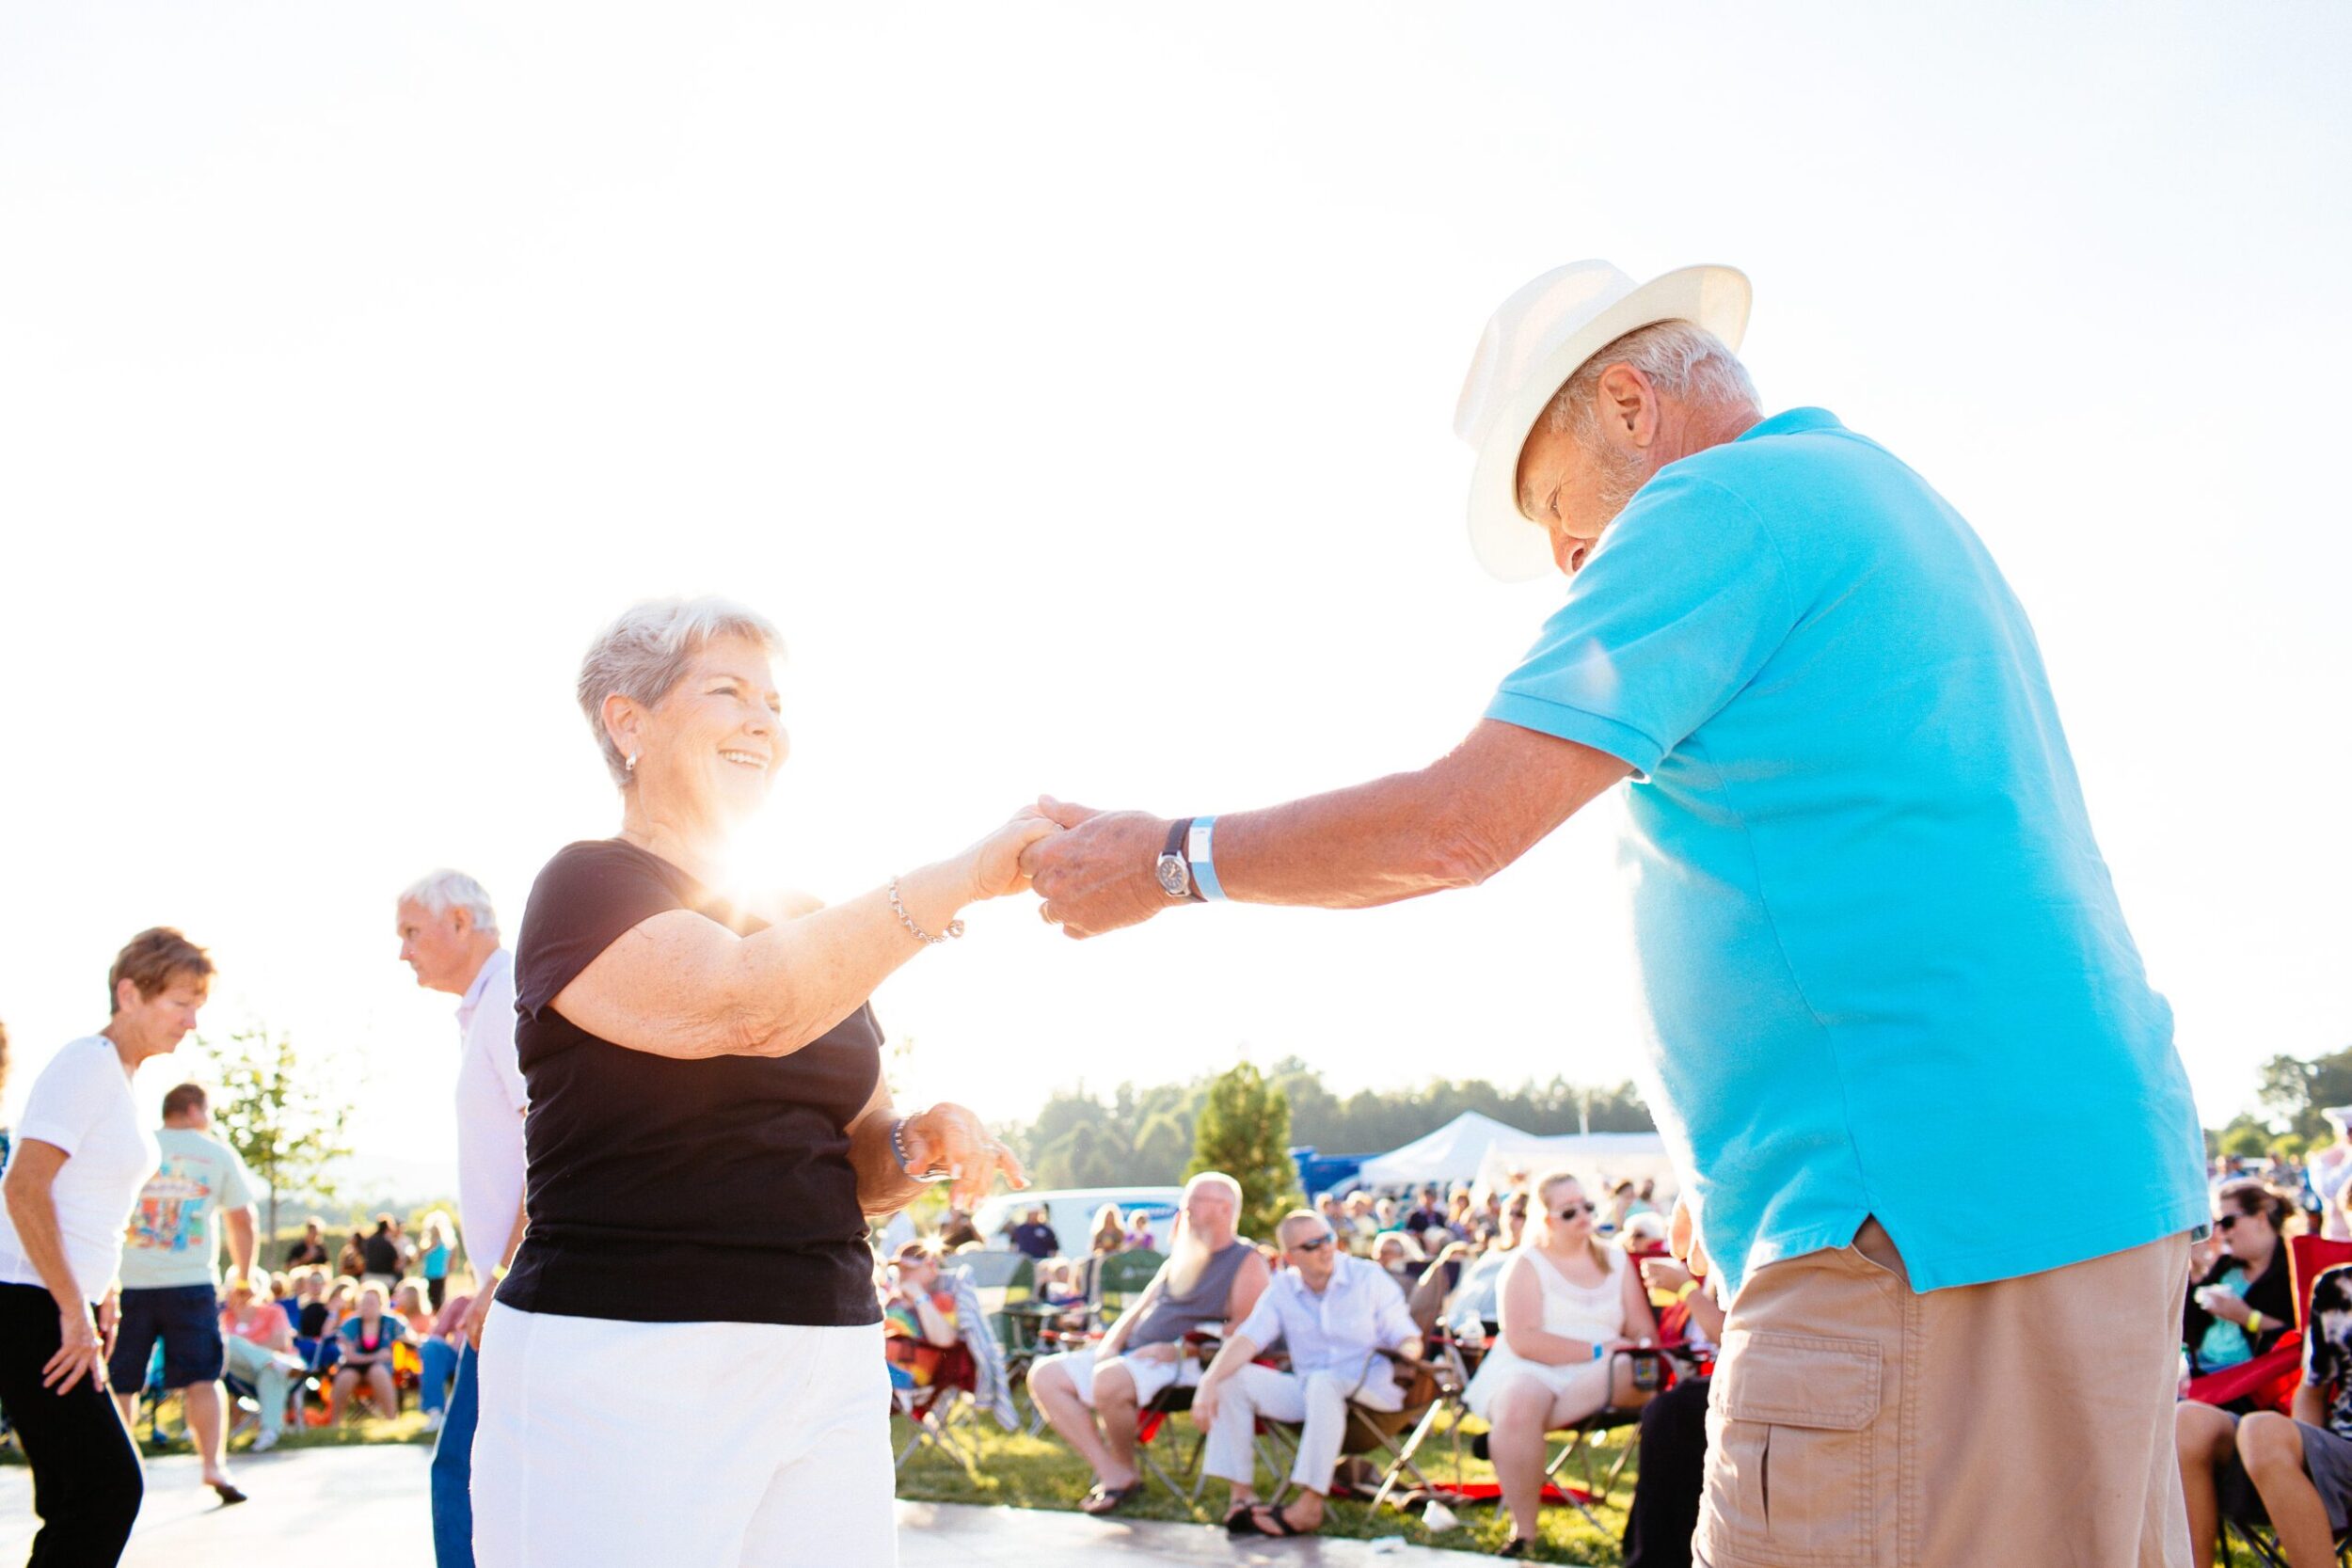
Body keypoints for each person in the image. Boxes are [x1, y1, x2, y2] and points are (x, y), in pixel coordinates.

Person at [1023, 259, 2207, 1562]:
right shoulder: (1880, 497)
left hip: (1914, 1213)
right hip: (2059, 1189)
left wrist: (1169, 860)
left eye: (1554, 508)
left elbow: (1458, 822)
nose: (1565, 559)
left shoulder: (1718, 502)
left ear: (1631, 406)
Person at [469, 595, 1041, 1568]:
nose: (763, 722)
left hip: (827, 1348)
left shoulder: (808, 916)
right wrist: (963, 877)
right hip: (627, 1351)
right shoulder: (587, 885)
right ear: (628, 721)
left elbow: (856, 1156)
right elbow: (740, 1004)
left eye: (774, 702)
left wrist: (917, 1141)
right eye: (727, 691)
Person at [0, 927, 214, 1565]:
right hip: (32, 1301)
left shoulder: (120, 1077)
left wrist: (106, 1288)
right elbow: (24, 1185)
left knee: (71, 1493)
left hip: (61, 1300)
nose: (193, 1021)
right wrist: (71, 1308)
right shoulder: (86, 1063)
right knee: (108, 1488)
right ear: (130, 992)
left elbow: (88, 1196)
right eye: (181, 1002)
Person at [396, 864, 527, 1568]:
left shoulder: (508, 999)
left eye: (411, 931)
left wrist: (502, 1274)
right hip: (516, 1279)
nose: (403, 950)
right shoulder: (487, 1005)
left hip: (523, 1282)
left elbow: (552, 1140)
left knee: (462, 1473)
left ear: (459, 923)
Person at [1026, 1172, 1269, 1515]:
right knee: (1045, 1374)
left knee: (1109, 1378)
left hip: (1186, 1361)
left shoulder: (1246, 1261)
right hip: (1131, 1355)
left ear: (1225, 1208)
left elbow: (1245, 1332)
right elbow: (1139, 1309)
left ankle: (1125, 1470)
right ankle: (1113, 1472)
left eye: (1195, 1201)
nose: (1185, 1209)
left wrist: (1184, 1349)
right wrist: (1110, 1345)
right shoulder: (1182, 1256)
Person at [1193, 1210, 1422, 1539]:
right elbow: (1248, 1338)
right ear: (1290, 1257)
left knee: (1322, 1381)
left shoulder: (1367, 1277)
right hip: (1312, 1394)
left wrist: (1409, 1354)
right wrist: (1208, 1382)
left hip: (1371, 1393)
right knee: (1232, 1378)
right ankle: (1241, 1495)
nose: (1326, 1248)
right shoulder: (1282, 1289)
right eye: (1312, 1244)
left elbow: (1407, 1335)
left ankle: (1310, 1505)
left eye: (1328, 1238)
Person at [1466, 1171, 1660, 1556]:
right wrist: (1597, 1349)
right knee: (1520, 1399)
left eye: (1587, 1207)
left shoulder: (1615, 1258)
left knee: (1630, 1371)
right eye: (1569, 1212)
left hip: (1605, 1373)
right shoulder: (1525, 1263)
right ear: (1547, 1218)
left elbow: (1644, 1333)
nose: (1584, 1217)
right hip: (1533, 1365)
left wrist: (1617, 1350)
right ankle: (1524, 1532)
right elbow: (1523, 1340)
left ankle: (1511, 1438)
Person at [109, 1080, 259, 1506]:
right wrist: (244, 1277)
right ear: (193, 1109)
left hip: (128, 1281)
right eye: (207, 1111)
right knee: (202, 1378)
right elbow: (242, 1219)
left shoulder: (136, 1146)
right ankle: (213, 1466)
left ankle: (120, 1469)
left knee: (122, 1381)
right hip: (190, 1281)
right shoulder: (213, 1153)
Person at [2178, 1261, 2352, 1567]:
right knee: (2188, 1422)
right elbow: (2312, 1392)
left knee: (2262, 1430)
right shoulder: (2336, 1287)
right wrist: (2296, 1471)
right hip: (2339, 1454)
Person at [2185, 1179, 2295, 1375]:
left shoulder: (2293, 1270)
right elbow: (2187, 1329)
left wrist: (2248, 1318)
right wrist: (2196, 1274)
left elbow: (2301, 1341)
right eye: (2215, 1224)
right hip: (2203, 1368)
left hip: (2249, 1381)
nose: (2219, 1232)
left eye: (2227, 1222)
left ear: (2260, 1218)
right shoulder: (2226, 1265)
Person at [218, 1276, 304, 1454]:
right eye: (237, 1291)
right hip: (243, 1374)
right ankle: (274, 1362)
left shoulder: (273, 1312)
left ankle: (269, 1431)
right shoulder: (225, 1318)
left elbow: (280, 1342)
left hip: (283, 1370)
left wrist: (249, 1351)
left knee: (270, 1371)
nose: (242, 1296)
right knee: (229, 1342)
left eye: (246, 1290)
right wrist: (258, 1352)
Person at [882, 1243, 961, 1390]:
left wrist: (919, 1297)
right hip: (882, 1368)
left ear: (931, 1269)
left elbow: (946, 1340)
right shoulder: (892, 1301)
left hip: (908, 1377)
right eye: (900, 1268)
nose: (902, 1273)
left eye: (909, 1268)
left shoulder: (941, 1301)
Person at [328, 1283, 406, 1422]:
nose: (366, 1306)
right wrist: (376, 1356)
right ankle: (335, 1422)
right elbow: (349, 1356)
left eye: (370, 1303)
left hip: (382, 1367)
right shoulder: (350, 1324)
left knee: (378, 1372)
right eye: (363, 1302)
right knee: (345, 1377)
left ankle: (391, 1418)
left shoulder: (392, 1322)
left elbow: (408, 1338)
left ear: (381, 1304)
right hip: (354, 1365)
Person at [418, 1211, 455, 1311]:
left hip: (439, 1275)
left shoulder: (446, 1245)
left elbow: (451, 1263)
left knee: (438, 1301)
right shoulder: (427, 1244)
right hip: (428, 1275)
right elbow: (419, 1256)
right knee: (428, 1300)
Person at [360, 1214, 402, 1286]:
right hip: (386, 1278)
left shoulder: (369, 1241)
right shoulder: (388, 1243)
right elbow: (396, 1263)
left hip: (368, 1276)